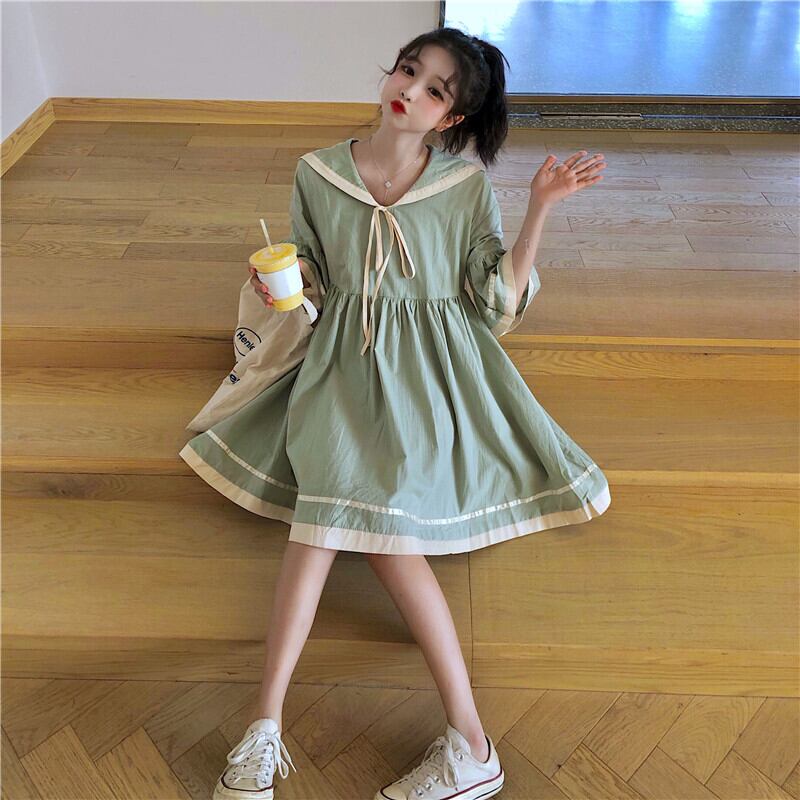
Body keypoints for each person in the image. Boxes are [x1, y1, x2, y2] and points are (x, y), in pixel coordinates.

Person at [189, 26, 610, 800]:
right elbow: (312, 287)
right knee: (324, 520)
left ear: (451, 117)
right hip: (340, 374)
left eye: (434, 90)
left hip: (430, 383)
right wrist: (278, 284)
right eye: (409, 71)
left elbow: (496, 305)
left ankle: (414, 739)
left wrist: (539, 209)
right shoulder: (318, 173)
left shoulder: (462, 187)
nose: (409, 91)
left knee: (356, 530)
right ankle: (278, 729)